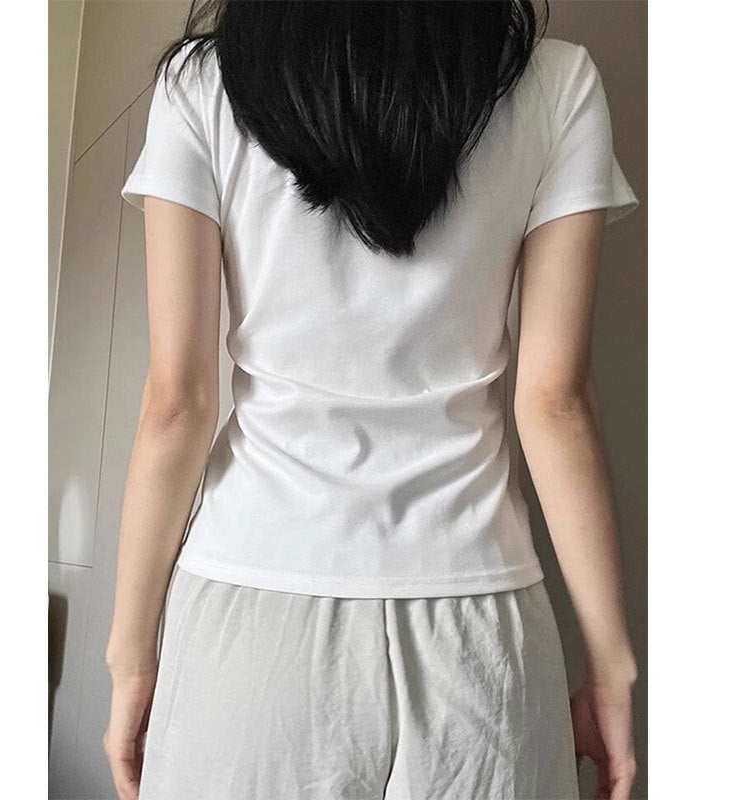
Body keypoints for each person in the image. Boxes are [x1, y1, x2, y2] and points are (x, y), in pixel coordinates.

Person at [103, 2, 640, 799]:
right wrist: (611, 669)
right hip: (478, 620)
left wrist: (131, 655)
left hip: (251, 614)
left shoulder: (202, 86)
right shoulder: (555, 84)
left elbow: (177, 403)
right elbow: (553, 400)